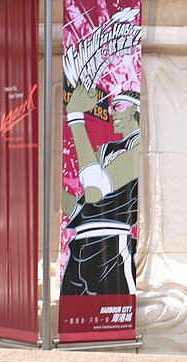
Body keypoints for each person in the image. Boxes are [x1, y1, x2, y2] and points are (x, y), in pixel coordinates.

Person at [61, 86, 141, 296]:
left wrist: (76, 118)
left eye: (119, 106)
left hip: (111, 249)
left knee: (113, 318)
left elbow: (96, 188)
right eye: (112, 107)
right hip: (79, 248)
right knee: (72, 320)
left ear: (135, 110)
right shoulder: (105, 149)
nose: (112, 112)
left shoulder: (139, 145)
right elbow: (80, 208)